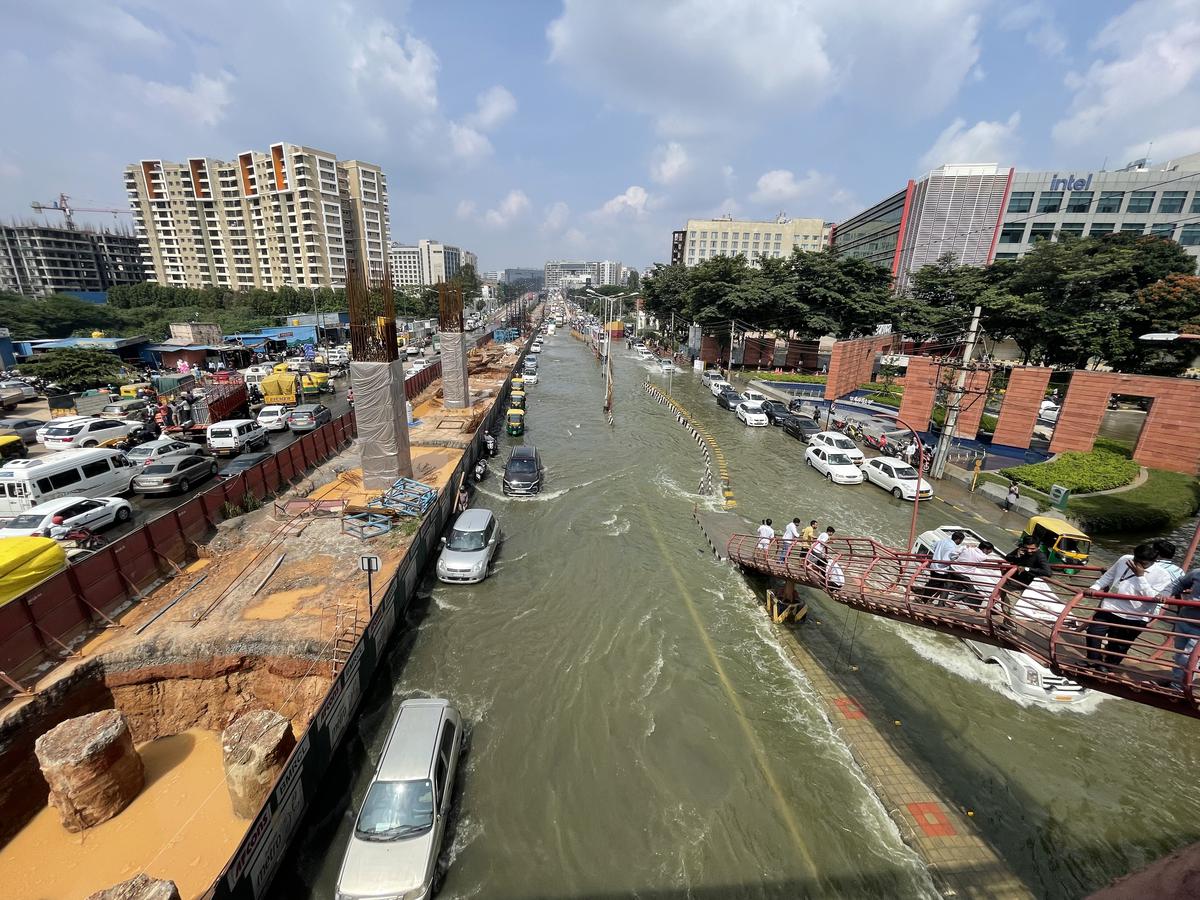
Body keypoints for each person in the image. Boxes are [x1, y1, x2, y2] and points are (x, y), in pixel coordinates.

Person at [1085, 542, 1160, 671]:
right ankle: (1094, 661)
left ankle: (1108, 668)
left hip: (1134, 616)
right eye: (1136, 560)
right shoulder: (1124, 559)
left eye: (1143, 563)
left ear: (1153, 561)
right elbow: (1109, 575)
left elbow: (1154, 598)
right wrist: (1095, 587)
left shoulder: (1161, 574)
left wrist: (1140, 576)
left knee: (1118, 645)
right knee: (1093, 632)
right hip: (1109, 606)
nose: (1136, 565)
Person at [1165, 568, 1200, 686]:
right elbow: (1180, 582)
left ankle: (1178, 687)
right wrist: (1165, 594)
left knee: (1188, 659)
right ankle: (1177, 682)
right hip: (1184, 621)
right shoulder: (1197, 573)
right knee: (1180, 655)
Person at [928, 530, 966, 604]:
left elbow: (933, 546)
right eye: (961, 541)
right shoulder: (953, 547)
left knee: (933, 583)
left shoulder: (942, 541)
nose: (960, 542)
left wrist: (937, 554)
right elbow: (950, 558)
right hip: (942, 569)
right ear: (958, 540)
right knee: (934, 585)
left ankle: (927, 599)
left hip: (934, 565)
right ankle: (924, 599)